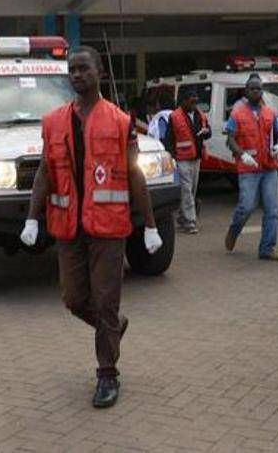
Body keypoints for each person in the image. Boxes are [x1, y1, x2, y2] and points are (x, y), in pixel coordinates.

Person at [19, 46, 163, 409]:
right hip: (68, 227)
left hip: (108, 228)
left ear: (100, 72)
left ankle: (107, 375)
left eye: (84, 68)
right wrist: (31, 218)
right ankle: (114, 326)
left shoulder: (119, 121)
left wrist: (150, 225)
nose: (76, 74)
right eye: (72, 69)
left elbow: (134, 174)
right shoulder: (53, 121)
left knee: (105, 301)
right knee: (73, 298)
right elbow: (44, 173)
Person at [224, 73, 278, 260]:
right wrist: (242, 154)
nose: (256, 92)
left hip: (269, 167)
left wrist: (277, 146)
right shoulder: (237, 113)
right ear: (246, 91)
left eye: (259, 88)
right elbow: (230, 139)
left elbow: (277, 135)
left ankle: (267, 248)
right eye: (252, 88)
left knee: (273, 210)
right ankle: (234, 230)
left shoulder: (270, 113)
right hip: (249, 168)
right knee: (247, 206)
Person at [164, 89, 212, 234]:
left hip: (196, 158)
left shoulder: (200, 115)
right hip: (182, 159)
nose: (194, 104)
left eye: (196, 101)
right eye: (191, 101)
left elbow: (208, 132)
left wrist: (206, 132)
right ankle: (190, 221)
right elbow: (169, 139)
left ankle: (182, 216)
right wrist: (172, 157)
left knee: (191, 190)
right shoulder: (174, 116)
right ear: (183, 101)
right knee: (186, 190)